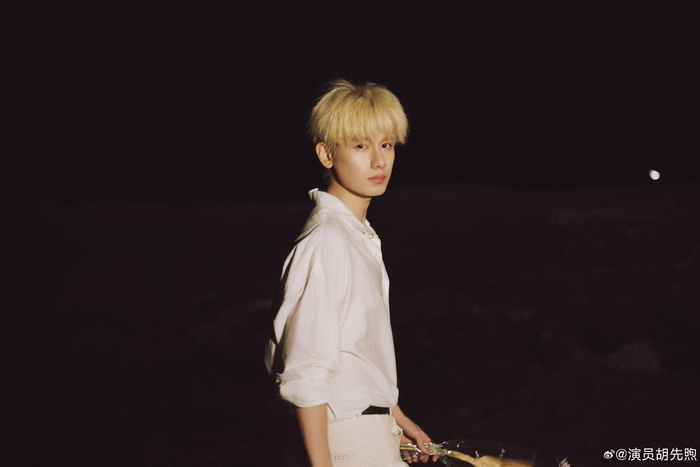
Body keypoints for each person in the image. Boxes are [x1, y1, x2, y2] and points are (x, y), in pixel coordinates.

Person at [265, 79, 437, 467]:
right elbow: (305, 371)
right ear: (326, 154)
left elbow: (354, 352)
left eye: (386, 145)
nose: (379, 161)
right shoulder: (327, 241)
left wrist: (393, 417)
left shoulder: (356, 237)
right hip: (346, 441)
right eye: (360, 146)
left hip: (370, 433)